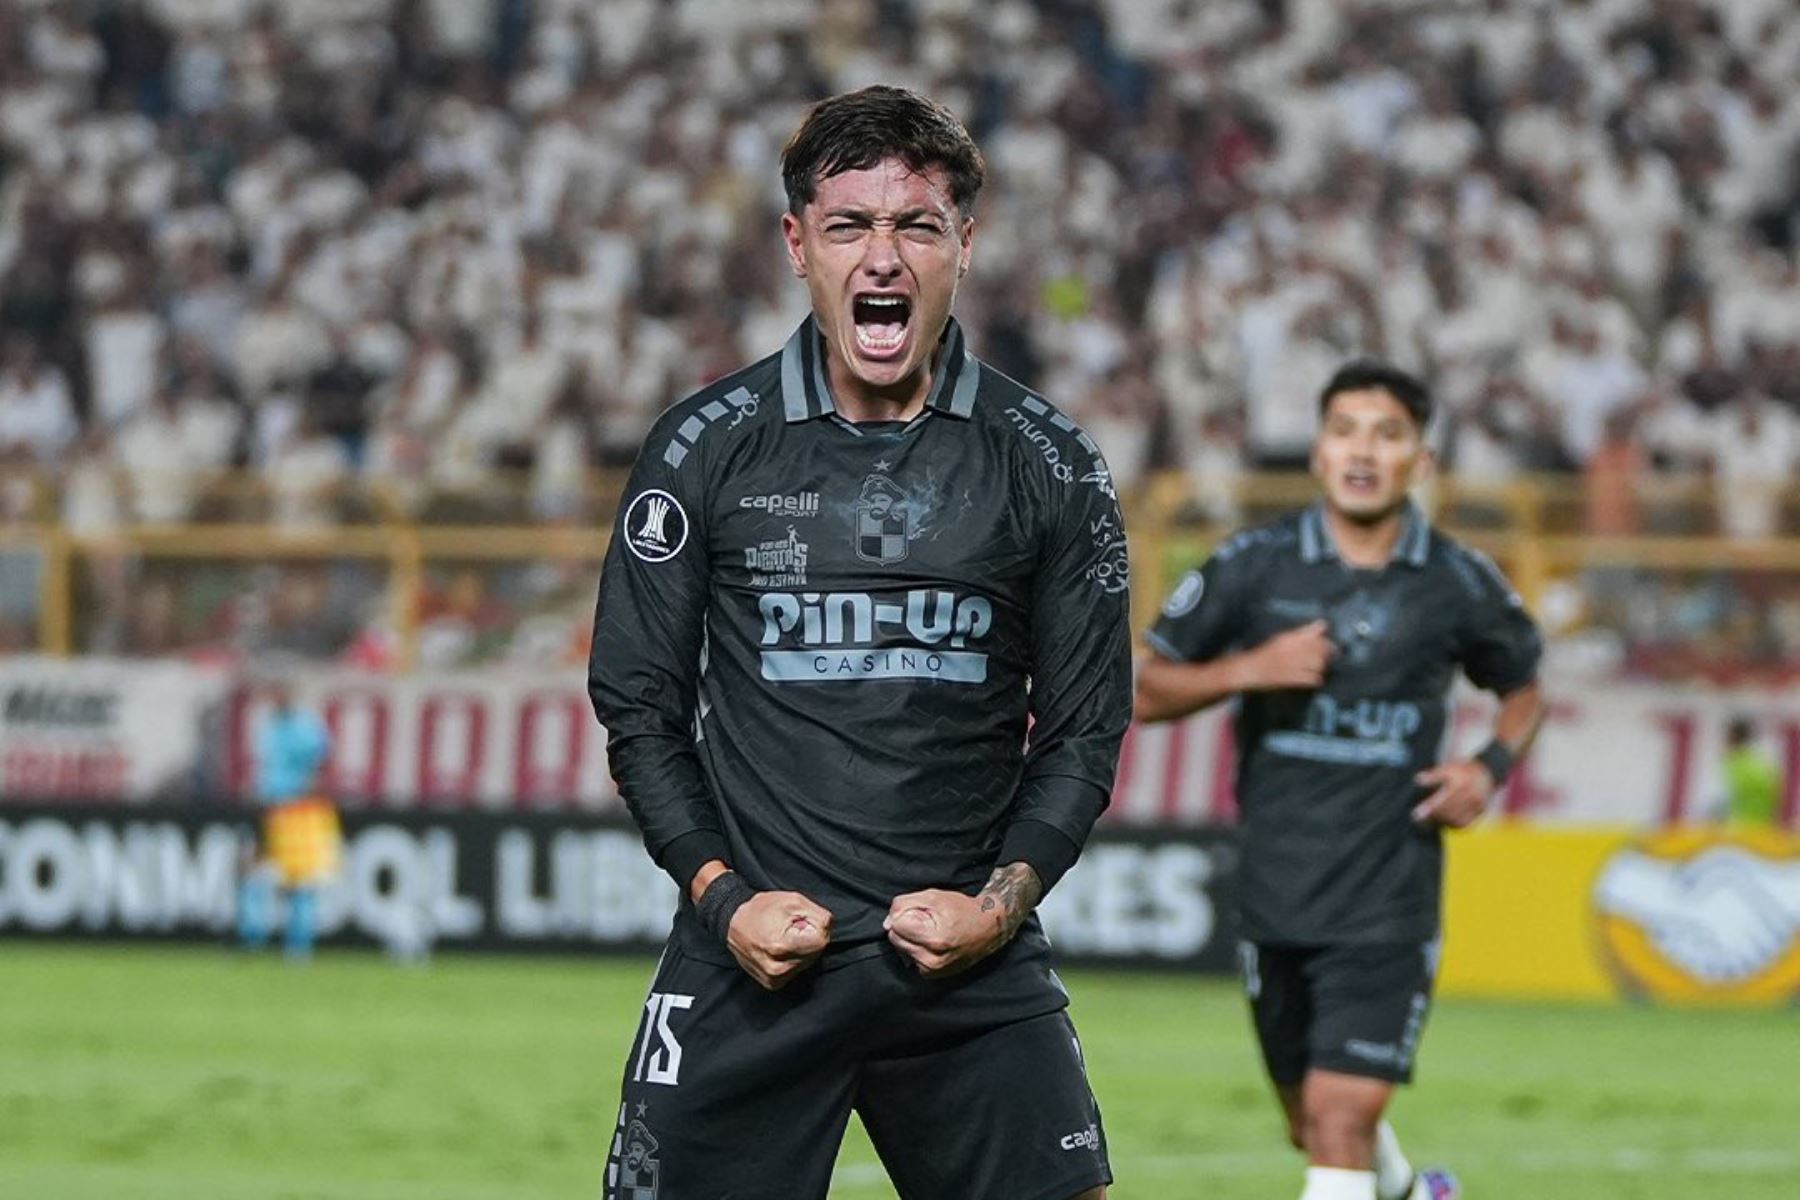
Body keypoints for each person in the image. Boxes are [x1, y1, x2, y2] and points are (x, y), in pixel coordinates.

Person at [587, 86, 1131, 1200]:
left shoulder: (1054, 465)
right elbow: (639, 710)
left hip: (968, 972)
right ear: (798, 244)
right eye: (849, 226)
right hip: (749, 963)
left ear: (964, 246)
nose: (882, 258)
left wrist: (1000, 905)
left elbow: (1084, 728)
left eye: (916, 226)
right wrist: (723, 897)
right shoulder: (702, 451)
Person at [1135, 360, 1547, 1200]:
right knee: (1311, 1124)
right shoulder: (1253, 566)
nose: (1364, 451)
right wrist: (1252, 668)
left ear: (1420, 464)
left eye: (1389, 434)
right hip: (1277, 888)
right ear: (1319, 453)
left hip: (1388, 894)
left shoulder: (1457, 581)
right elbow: (1141, 688)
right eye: (1346, 430)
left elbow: (1525, 688)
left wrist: (1488, 768)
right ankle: (1412, 1193)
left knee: (1340, 1117)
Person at [239, 681, 336, 960]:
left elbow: (320, 763)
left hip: (296, 808)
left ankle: (299, 944)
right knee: (252, 869)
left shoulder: (306, 726)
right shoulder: (269, 726)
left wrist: (308, 792)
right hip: (267, 805)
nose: (276, 697)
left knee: (300, 877)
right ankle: (252, 935)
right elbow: (264, 767)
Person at [1719, 715, 1781, 829]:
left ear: (1733, 736)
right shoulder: (1762, 762)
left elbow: (1719, 800)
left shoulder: (1734, 764)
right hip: (1763, 828)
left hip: (1739, 829)